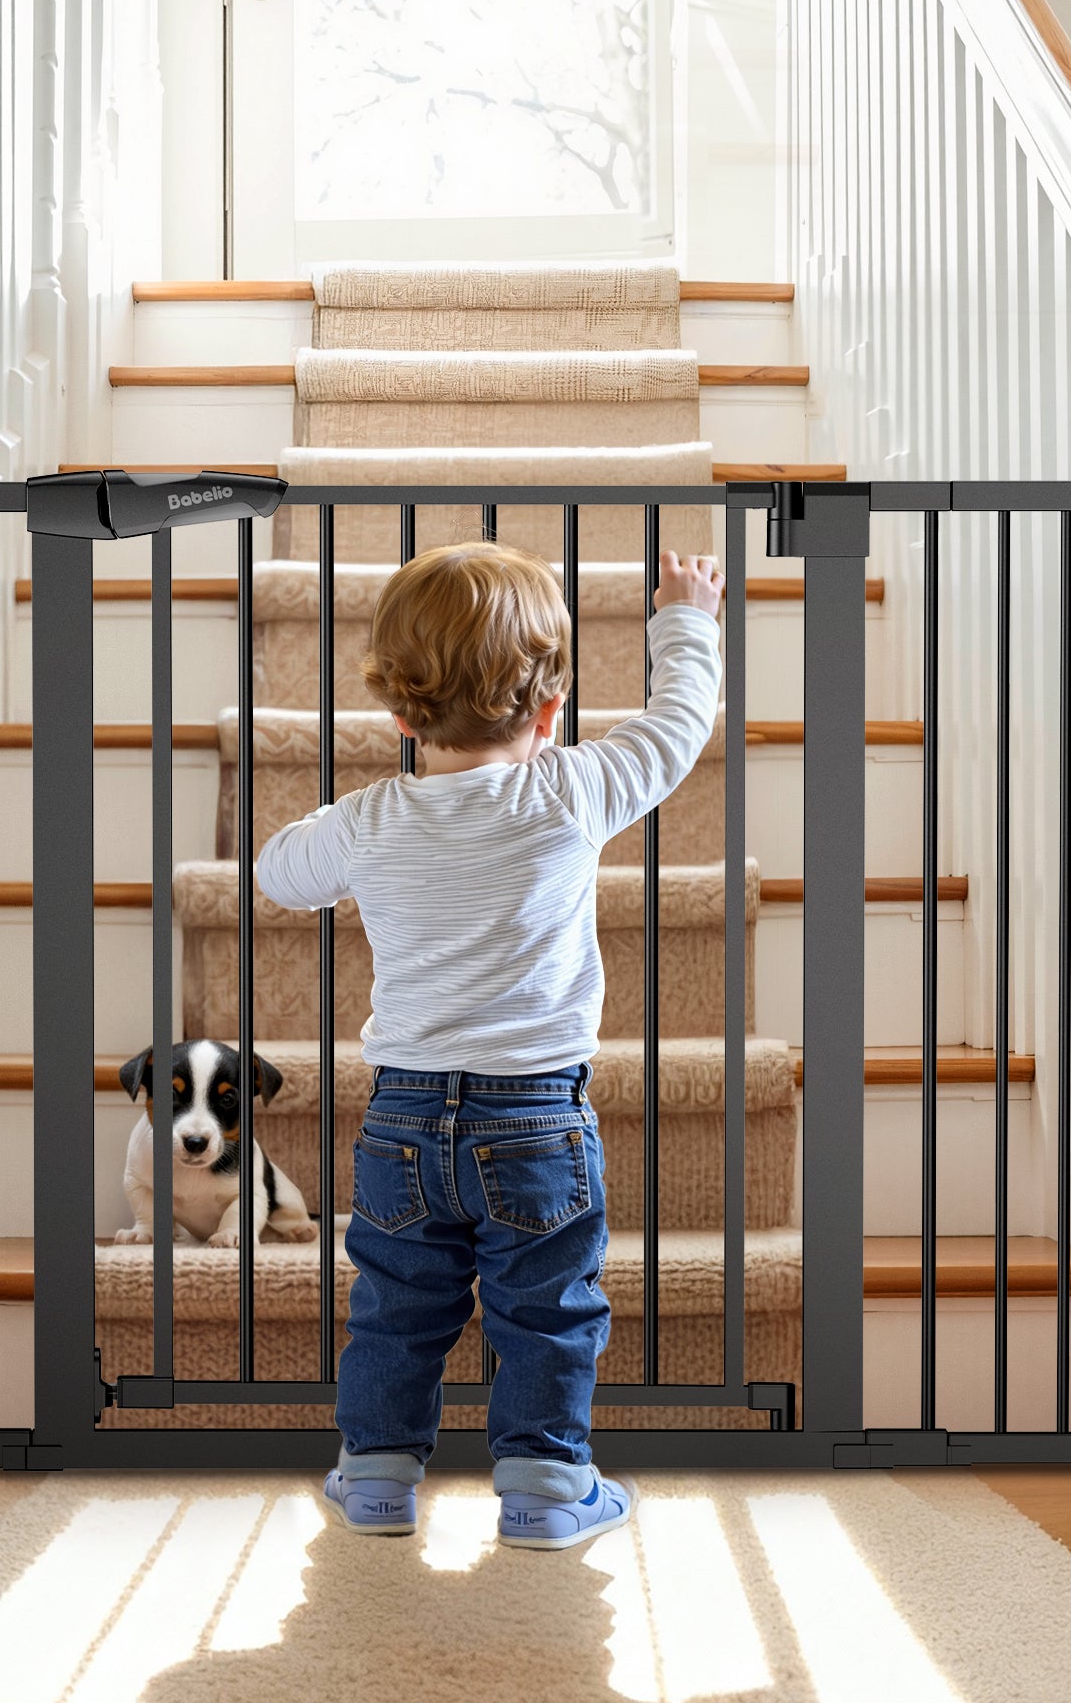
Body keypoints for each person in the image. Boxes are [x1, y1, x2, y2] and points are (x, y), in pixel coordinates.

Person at [256, 538, 724, 1548]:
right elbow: (680, 726)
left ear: (398, 711)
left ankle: (376, 1475)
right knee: (548, 1306)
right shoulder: (571, 790)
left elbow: (278, 873)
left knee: (395, 1304)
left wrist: (336, 842)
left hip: (404, 1120)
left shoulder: (372, 817)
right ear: (549, 712)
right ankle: (547, 1486)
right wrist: (686, 618)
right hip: (537, 1118)